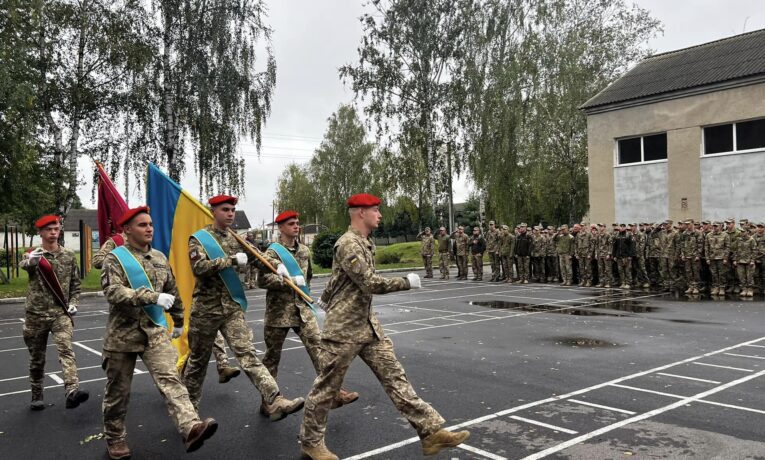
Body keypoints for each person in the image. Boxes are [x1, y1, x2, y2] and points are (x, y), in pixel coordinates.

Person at [299, 193, 470, 460]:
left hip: (368, 327)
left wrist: (327, 296)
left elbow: (339, 278)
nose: (380, 215)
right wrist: (406, 281)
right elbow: (368, 282)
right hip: (344, 330)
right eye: (375, 210)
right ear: (360, 213)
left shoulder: (365, 242)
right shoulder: (348, 244)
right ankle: (311, 442)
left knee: (396, 378)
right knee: (326, 388)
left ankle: (430, 433)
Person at [100, 207, 217, 459]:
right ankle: (115, 437)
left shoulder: (160, 258)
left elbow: (172, 289)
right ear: (127, 230)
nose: (149, 228)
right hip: (123, 336)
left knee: (171, 379)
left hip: (155, 333)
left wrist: (177, 319)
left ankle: (190, 427)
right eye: (142, 225)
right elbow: (113, 292)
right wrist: (152, 296)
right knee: (118, 393)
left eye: (151, 224)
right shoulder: (115, 258)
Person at [182, 194, 304, 418]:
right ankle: (189, 417)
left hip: (231, 309)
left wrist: (278, 266)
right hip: (205, 311)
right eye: (225, 210)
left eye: (232, 210)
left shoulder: (237, 239)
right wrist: (231, 260)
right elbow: (199, 268)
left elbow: (259, 258)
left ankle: (274, 399)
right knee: (197, 364)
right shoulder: (199, 239)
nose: (230, 214)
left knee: (248, 355)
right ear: (213, 212)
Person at [258, 210, 358, 411]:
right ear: (280, 228)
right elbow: (261, 280)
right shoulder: (271, 253)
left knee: (319, 350)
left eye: (297, 223)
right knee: (272, 358)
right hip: (279, 313)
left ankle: (334, 394)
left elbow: (308, 276)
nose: (296, 226)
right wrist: (286, 281)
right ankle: (268, 402)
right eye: (291, 224)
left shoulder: (304, 251)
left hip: (302, 311)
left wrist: (305, 291)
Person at [20, 215, 89, 411]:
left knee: (66, 350)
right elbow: (24, 265)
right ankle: (37, 393)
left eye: (56, 228)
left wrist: (74, 302)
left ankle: (72, 390)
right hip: (36, 315)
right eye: (49, 229)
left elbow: (75, 285)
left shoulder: (68, 255)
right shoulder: (33, 256)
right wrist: (32, 260)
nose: (53, 232)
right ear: (40, 233)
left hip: (60, 313)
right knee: (36, 358)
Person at [705, 222, 730, 296]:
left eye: (716, 226)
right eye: (714, 226)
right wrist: (707, 258)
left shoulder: (725, 235)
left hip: (721, 257)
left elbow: (727, 247)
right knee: (714, 273)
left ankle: (722, 287)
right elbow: (706, 247)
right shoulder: (709, 235)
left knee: (722, 273)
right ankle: (716, 287)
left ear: (720, 226)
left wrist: (725, 258)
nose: (715, 228)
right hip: (712, 257)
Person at [734, 227, 757, 298]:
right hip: (740, 261)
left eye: (743, 231)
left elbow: (754, 251)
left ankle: (750, 289)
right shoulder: (738, 240)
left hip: (749, 261)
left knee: (749, 276)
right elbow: (735, 250)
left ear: (747, 232)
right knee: (741, 276)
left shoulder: (751, 240)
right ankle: (744, 289)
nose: (742, 233)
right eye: (741, 231)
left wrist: (752, 260)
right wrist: (735, 259)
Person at [612, 224, 635, 289]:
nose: (622, 228)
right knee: (620, 270)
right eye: (621, 226)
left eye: (623, 227)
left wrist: (630, 255)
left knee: (627, 270)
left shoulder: (628, 235)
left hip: (626, 256)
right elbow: (614, 246)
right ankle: (623, 282)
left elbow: (631, 246)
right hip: (619, 256)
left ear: (625, 228)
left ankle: (628, 283)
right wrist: (614, 255)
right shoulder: (617, 235)